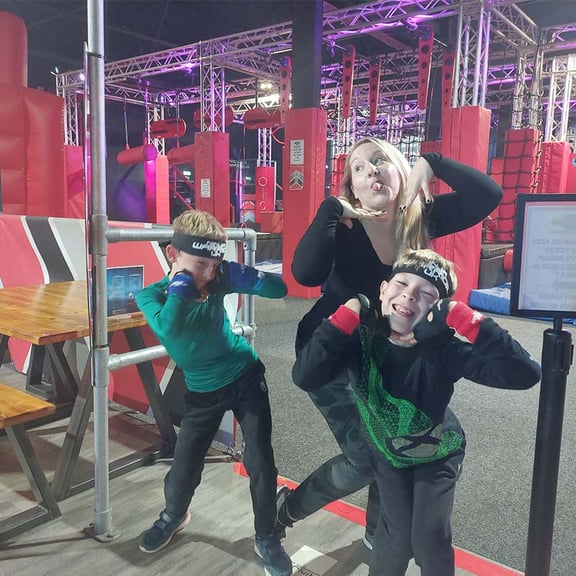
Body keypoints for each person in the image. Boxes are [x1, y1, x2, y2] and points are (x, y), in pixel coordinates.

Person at [276, 138, 504, 547]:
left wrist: (431, 163)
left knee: (398, 443)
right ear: (353, 188)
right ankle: (287, 510)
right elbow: (306, 275)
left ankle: (376, 532)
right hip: (332, 350)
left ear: (401, 170)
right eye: (358, 169)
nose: (370, 171)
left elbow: (488, 195)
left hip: (388, 353)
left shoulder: (420, 218)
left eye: (379, 160)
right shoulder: (345, 226)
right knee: (363, 459)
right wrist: (331, 209)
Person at [292, 249, 541, 575]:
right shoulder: (361, 340)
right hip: (387, 454)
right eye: (402, 284)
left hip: (438, 455)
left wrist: (465, 318)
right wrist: (347, 313)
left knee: (429, 538)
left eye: (426, 293)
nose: (409, 295)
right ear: (382, 291)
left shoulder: (445, 350)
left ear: (437, 309)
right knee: (393, 540)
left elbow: (525, 373)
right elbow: (305, 376)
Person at [136, 209, 292, 576]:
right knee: (185, 464)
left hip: (245, 377)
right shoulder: (151, 296)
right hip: (203, 392)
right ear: (174, 256)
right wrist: (179, 291)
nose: (209, 273)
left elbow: (280, 290)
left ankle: (266, 535)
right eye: (201, 263)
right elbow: (171, 336)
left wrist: (249, 277)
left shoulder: (219, 278)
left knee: (260, 459)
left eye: (216, 264)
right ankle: (174, 515)